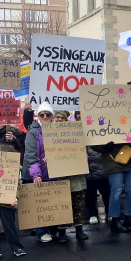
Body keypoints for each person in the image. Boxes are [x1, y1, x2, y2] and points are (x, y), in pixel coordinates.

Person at [21, 103, 57, 242]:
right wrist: (36, 174)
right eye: (42, 114)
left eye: (48, 114)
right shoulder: (33, 132)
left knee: (51, 202)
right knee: (40, 204)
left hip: (53, 172)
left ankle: (52, 228)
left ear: (52, 116)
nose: (45, 117)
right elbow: (31, 154)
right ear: (38, 116)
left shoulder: (58, 131)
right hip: (39, 171)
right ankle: (41, 232)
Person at [52, 110, 89, 242]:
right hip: (60, 176)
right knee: (63, 204)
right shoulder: (48, 133)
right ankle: (62, 232)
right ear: (53, 118)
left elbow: (81, 147)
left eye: (62, 117)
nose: (60, 119)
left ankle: (79, 230)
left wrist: (83, 155)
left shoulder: (74, 130)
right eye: (57, 117)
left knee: (77, 204)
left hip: (75, 175)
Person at [99, 139, 131, 233]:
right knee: (117, 191)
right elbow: (93, 141)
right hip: (112, 161)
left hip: (128, 158)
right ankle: (115, 220)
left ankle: (128, 217)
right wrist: (103, 147)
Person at [85, 146, 110, 224]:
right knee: (90, 196)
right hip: (88, 175)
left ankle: (109, 212)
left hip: (101, 173)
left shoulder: (98, 140)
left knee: (106, 194)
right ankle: (92, 214)